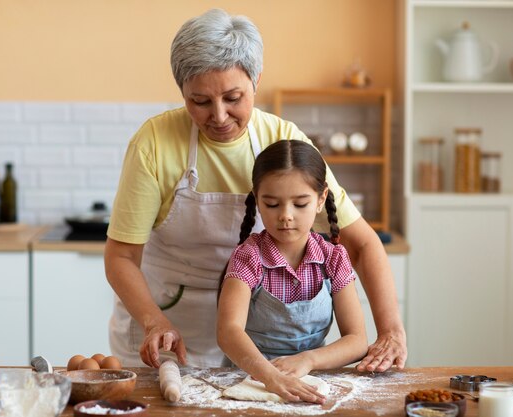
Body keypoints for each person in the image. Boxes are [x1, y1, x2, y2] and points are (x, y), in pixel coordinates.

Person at [104, 8, 406, 371]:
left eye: (233, 98)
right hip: (168, 328)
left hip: (257, 343)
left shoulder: (284, 142)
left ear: (256, 80)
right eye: (199, 101)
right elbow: (121, 257)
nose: (218, 115)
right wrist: (154, 321)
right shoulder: (153, 143)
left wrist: (390, 331)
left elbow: (362, 243)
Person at [217, 140, 368, 404]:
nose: (286, 216)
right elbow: (228, 332)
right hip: (249, 380)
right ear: (257, 200)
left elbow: (357, 340)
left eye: (300, 204)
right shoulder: (248, 257)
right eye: (272, 204)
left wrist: (308, 360)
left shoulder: (333, 258)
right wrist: (270, 376)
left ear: (321, 199)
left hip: (310, 381)